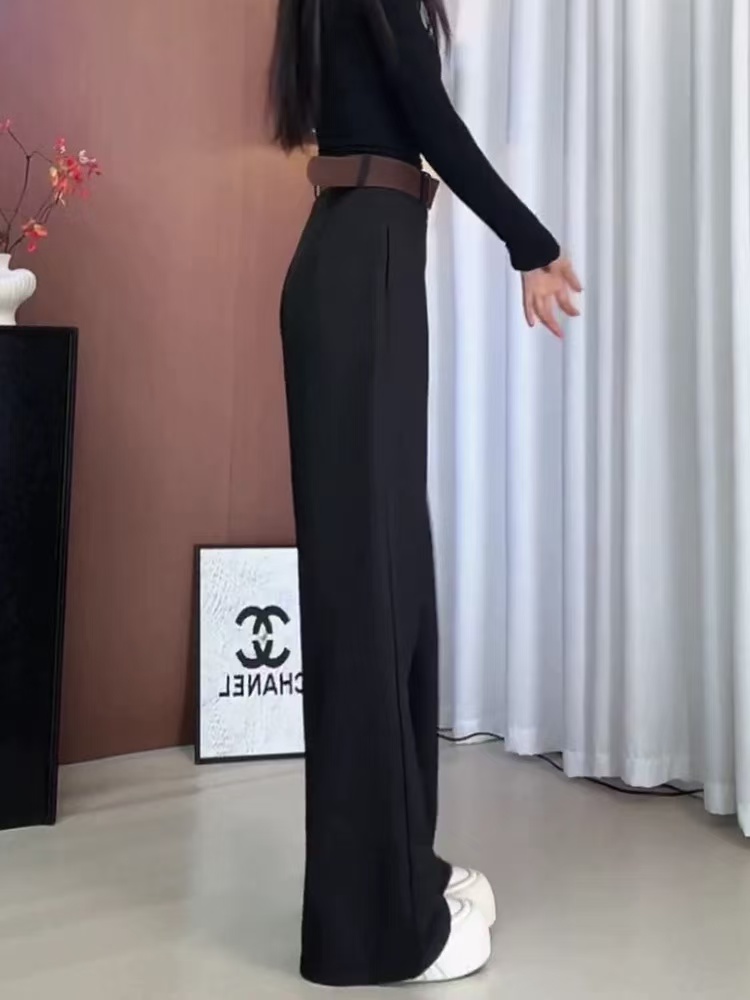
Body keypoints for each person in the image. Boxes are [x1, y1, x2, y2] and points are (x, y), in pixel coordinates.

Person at [269, 0, 581, 987]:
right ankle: (374, 931)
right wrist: (530, 240)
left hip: (364, 258)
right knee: (370, 599)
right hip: (361, 268)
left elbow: (399, 103)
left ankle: (404, 873)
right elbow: (425, 108)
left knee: (393, 589)